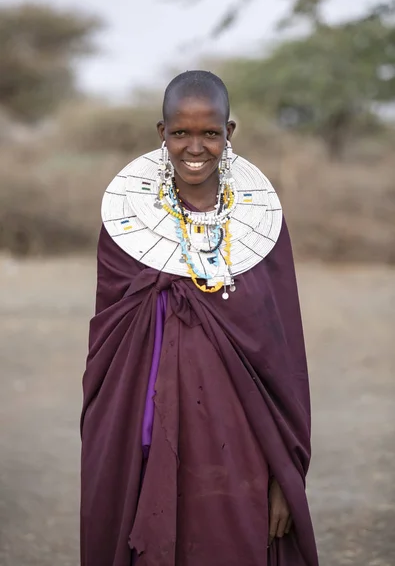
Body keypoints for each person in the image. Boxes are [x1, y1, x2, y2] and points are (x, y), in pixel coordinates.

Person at [80, 70, 319, 566]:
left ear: (229, 134)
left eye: (210, 133)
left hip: (242, 449)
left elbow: (281, 355)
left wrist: (284, 473)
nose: (195, 147)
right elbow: (111, 350)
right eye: (180, 133)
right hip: (144, 438)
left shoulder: (261, 228)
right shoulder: (127, 227)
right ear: (161, 134)